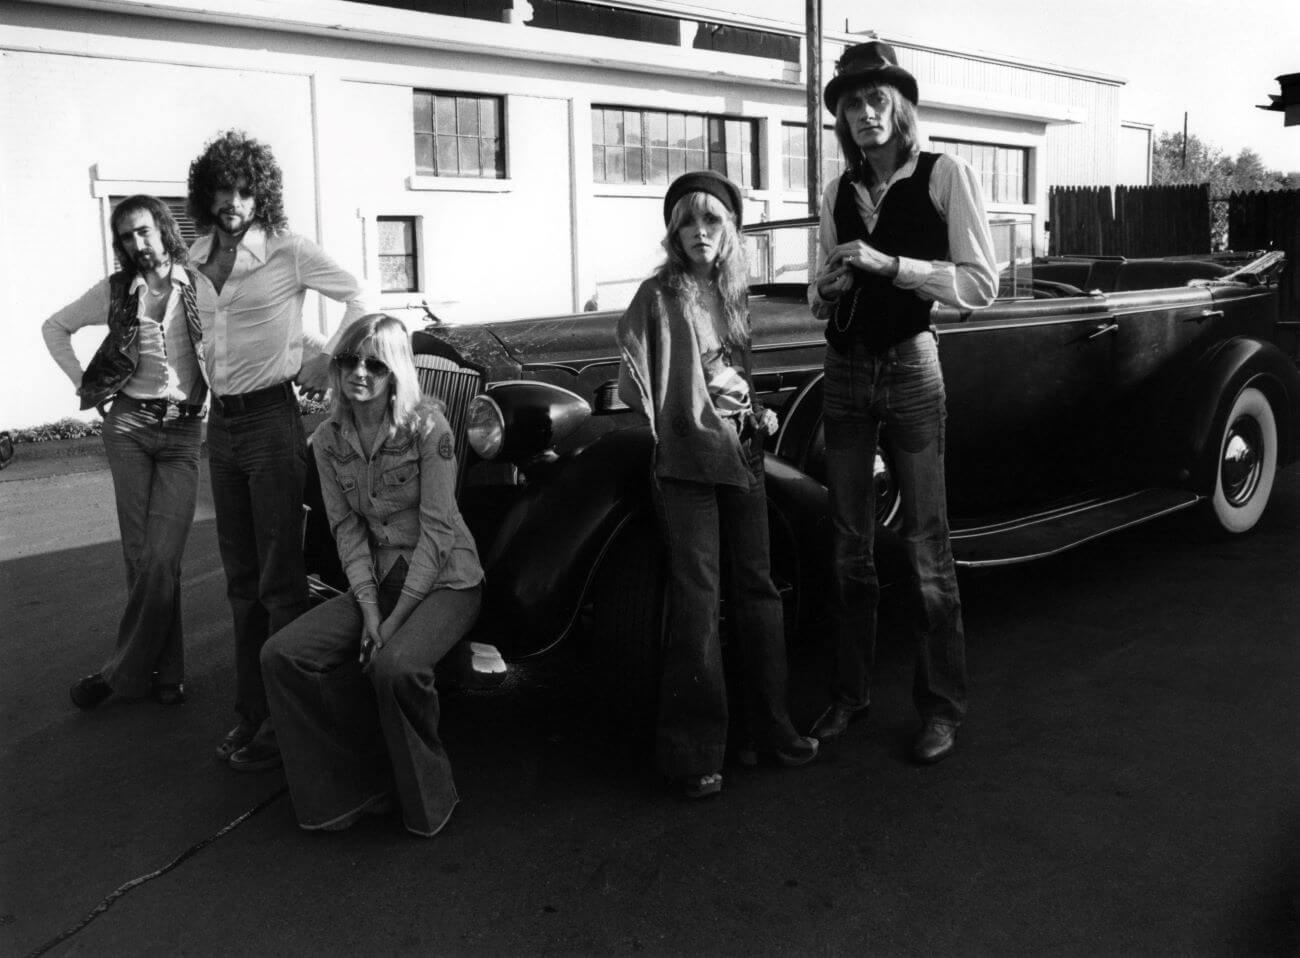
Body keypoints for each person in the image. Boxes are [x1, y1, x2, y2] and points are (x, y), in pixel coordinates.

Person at [807, 41, 997, 763]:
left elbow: (980, 286)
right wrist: (823, 287)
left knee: (926, 546)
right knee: (848, 547)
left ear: (901, 106)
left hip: (914, 369)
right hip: (846, 371)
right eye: (851, 104)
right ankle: (851, 697)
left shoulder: (946, 173)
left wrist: (895, 267)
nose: (864, 113)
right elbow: (819, 284)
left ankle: (941, 708)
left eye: (876, 99)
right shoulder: (836, 192)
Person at [617, 170, 818, 799]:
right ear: (673, 232)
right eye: (688, 221)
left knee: (757, 591)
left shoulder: (733, 294)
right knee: (697, 599)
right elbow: (634, 377)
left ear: (730, 229)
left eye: (713, 221)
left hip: (743, 451)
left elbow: (733, 372)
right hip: (685, 462)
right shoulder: (659, 293)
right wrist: (688, 407)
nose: (701, 232)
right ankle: (695, 752)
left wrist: (751, 407)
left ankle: (770, 729)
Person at [187, 130, 373, 772]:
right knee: (241, 581)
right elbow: (195, 340)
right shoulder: (196, 258)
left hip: (271, 422)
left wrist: (329, 363)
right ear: (207, 193)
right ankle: (252, 711)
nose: (234, 201)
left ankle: (286, 721)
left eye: (245, 190)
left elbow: (359, 292)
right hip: (222, 427)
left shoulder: (288, 252)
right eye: (224, 189)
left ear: (259, 193)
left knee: (280, 579)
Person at [259, 314, 483, 836]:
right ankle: (351, 788)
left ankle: (431, 799)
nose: (360, 372)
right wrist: (367, 611)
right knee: (283, 655)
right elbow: (347, 533)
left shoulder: (429, 427)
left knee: (394, 668)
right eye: (349, 361)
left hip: (448, 579)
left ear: (395, 371)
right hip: (379, 584)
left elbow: (437, 530)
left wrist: (391, 621)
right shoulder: (327, 440)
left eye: (375, 364)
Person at [42, 195, 207, 710]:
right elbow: (55, 327)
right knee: (141, 558)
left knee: (162, 556)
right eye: (127, 237)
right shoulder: (116, 291)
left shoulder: (200, 283)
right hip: (128, 427)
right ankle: (167, 674)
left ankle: (117, 675)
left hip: (183, 433)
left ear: (163, 229)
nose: (138, 244)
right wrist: (89, 387)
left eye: (144, 231)